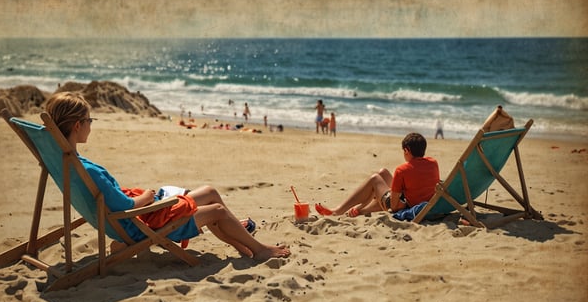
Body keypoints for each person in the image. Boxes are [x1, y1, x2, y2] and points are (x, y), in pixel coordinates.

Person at [46, 92, 291, 260]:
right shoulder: (87, 170)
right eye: (89, 120)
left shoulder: (65, 163)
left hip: (123, 221)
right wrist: (148, 196)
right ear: (77, 125)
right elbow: (126, 206)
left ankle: (242, 243)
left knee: (209, 191)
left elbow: (116, 202)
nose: (91, 124)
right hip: (139, 223)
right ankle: (259, 250)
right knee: (217, 210)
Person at [314, 132, 439, 217]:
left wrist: (389, 194)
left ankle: (337, 211)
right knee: (383, 172)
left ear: (407, 150)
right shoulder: (433, 163)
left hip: (406, 206)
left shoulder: (402, 170)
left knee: (375, 179)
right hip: (423, 203)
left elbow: (394, 207)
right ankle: (360, 210)